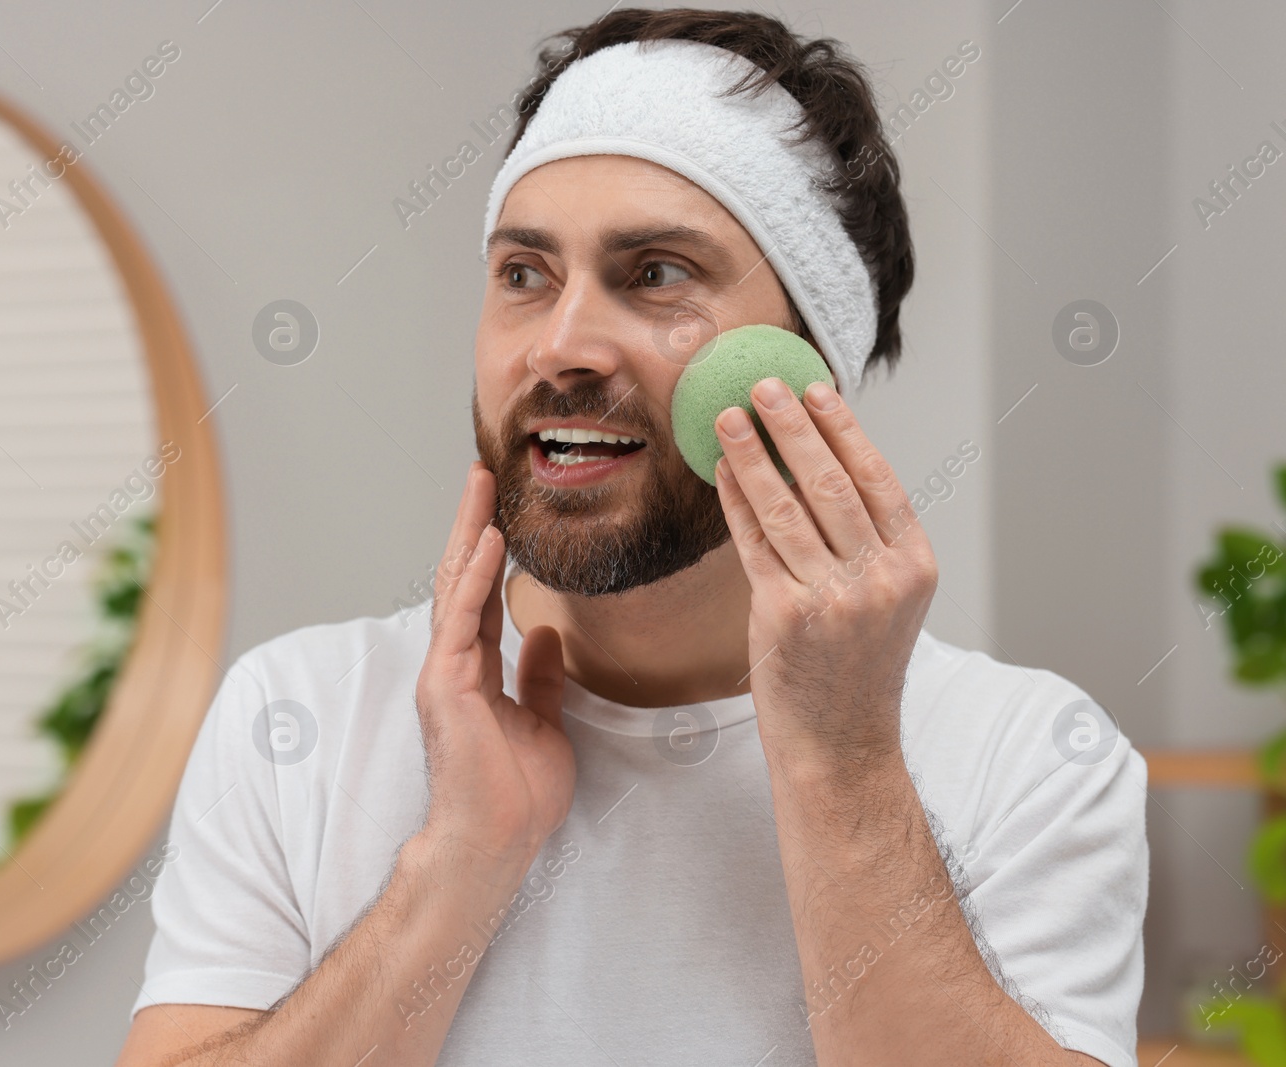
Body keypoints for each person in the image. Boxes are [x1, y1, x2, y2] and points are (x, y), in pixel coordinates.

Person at [116, 9, 1147, 1066]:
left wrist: (840, 767)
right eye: (524, 273)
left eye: (655, 272)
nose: (560, 346)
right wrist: (457, 863)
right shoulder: (296, 717)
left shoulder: (1032, 760)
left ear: (805, 370)